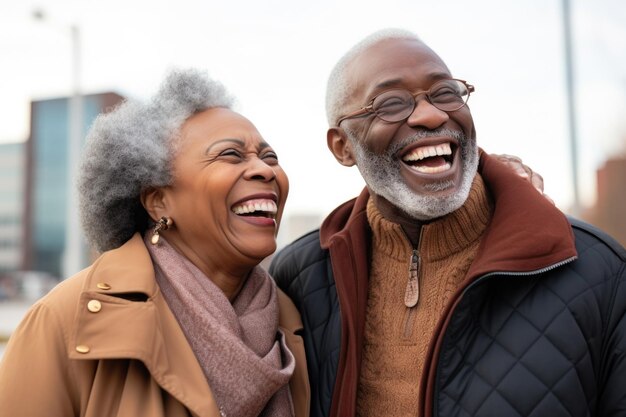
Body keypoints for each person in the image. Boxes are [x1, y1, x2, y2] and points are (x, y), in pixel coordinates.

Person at [269, 28, 626, 417]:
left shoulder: (598, 271)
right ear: (343, 147)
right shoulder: (301, 279)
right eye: (390, 104)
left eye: (445, 93)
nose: (432, 114)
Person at [0, 69, 309, 417]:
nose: (265, 170)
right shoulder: (62, 322)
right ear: (158, 200)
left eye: (269, 157)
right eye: (231, 155)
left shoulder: (300, 317)